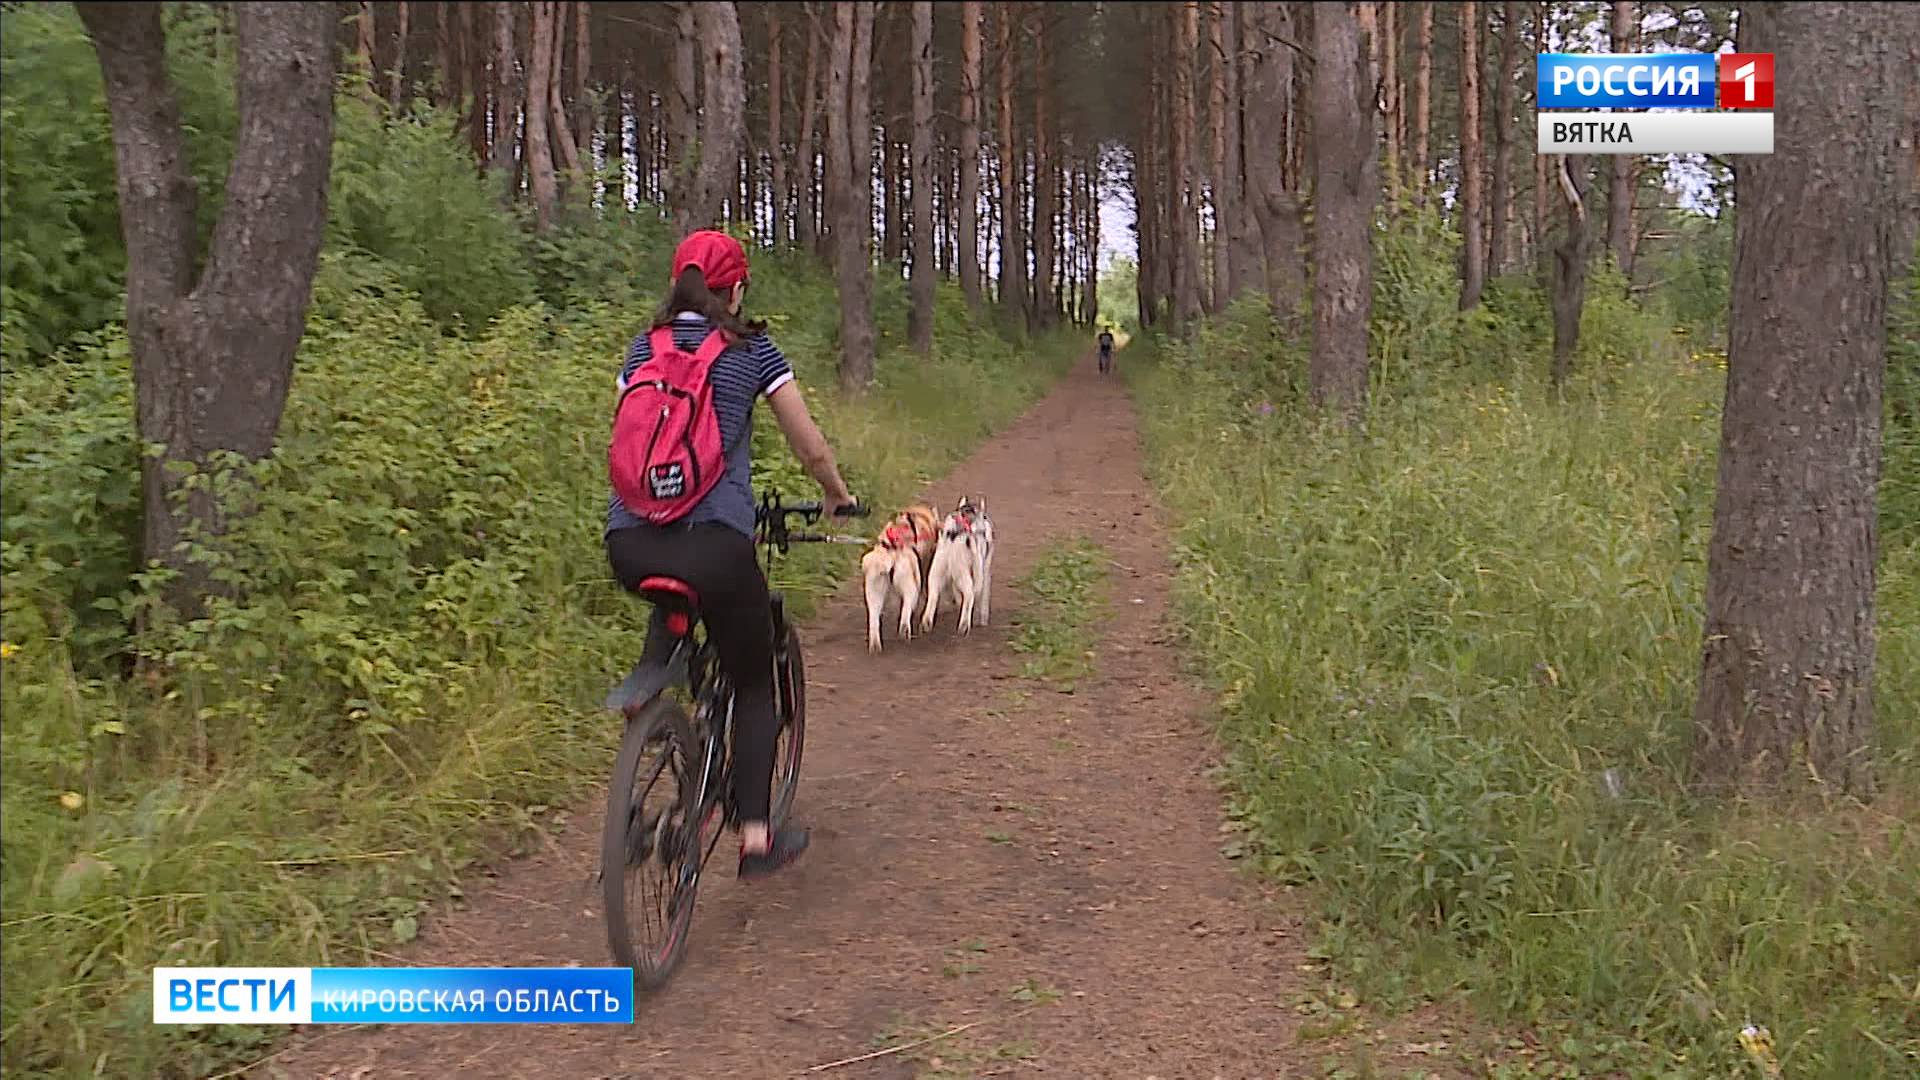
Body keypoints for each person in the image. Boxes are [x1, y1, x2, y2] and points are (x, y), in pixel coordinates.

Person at [605, 230, 856, 879]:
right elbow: (810, 447)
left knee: (674, 586)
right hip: (716, 546)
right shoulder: (751, 350)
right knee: (751, 679)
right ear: (735, 288)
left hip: (630, 542)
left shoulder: (643, 348)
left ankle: (649, 682)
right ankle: (755, 837)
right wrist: (835, 494)